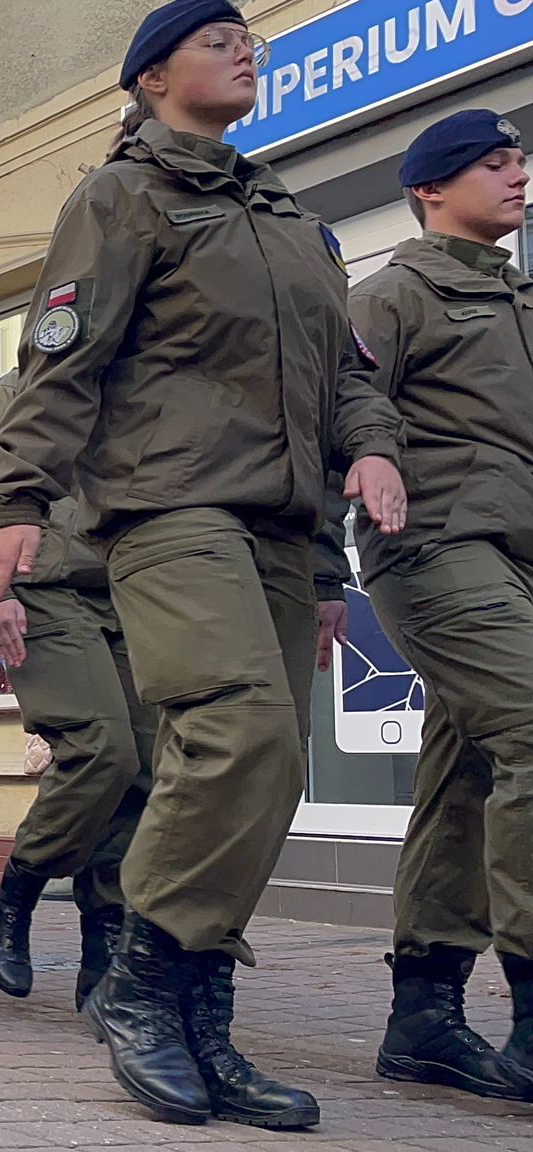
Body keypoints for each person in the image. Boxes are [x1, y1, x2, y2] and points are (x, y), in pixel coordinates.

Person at [0, 1, 407, 1128]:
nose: (243, 51)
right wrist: (17, 501)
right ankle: (141, 983)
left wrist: (363, 463)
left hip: (280, 528)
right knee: (235, 730)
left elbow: (339, 377)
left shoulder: (290, 223)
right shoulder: (120, 196)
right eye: (217, 42)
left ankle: (202, 1023)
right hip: (166, 507)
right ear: (153, 76)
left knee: (268, 773)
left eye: (245, 39)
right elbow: (60, 355)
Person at [347, 111, 533, 1102]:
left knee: (465, 769)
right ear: (427, 189)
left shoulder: (518, 300)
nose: (514, 174)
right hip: (432, 545)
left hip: (516, 555)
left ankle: (421, 1015)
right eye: (489, 163)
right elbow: (342, 399)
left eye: (516, 159)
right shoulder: (389, 296)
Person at [0, 371, 157, 1009]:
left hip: (129, 592)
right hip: (40, 588)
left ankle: (105, 961)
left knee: (146, 772)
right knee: (102, 750)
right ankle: (15, 895)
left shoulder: (151, 377)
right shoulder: (22, 389)